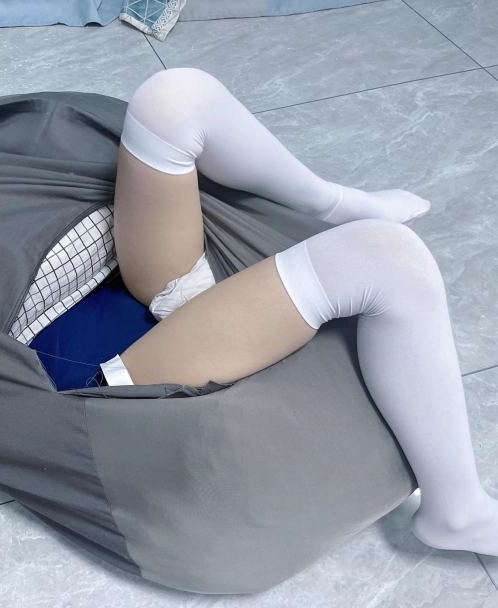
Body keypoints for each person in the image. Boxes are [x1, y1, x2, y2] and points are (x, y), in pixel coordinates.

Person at [102, 67, 497, 557]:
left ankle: (337, 203)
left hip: (176, 298)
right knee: (388, 257)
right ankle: (457, 511)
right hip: (124, 383)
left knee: (173, 97)